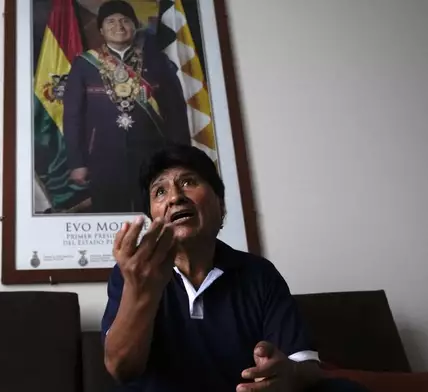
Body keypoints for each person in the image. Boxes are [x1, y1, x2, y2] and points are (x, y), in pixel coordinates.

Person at [102, 144, 370, 391]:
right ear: (153, 219)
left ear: (221, 204)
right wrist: (141, 291)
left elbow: (307, 367)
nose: (174, 197)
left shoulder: (259, 274)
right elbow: (121, 369)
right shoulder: (132, 274)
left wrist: (287, 373)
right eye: (160, 191)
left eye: (188, 182)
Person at [63, 0, 191, 214]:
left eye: (125, 20)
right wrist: (77, 161)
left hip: (153, 153)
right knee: (108, 214)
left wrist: (180, 155)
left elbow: (175, 111)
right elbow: (73, 116)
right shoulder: (84, 64)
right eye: (111, 22)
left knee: (154, 212)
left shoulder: (157, 61)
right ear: (101, 30)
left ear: (134, 25)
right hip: (102, 156)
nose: (119, 26)